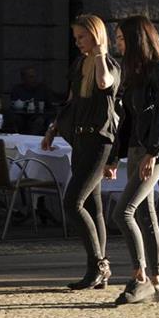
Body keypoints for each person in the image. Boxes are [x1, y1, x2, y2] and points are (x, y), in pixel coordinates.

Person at [44, 15, 120, 291]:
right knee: (92, 207)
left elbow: (104, 84)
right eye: (75, 38)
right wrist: (53, 129)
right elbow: (72, 101)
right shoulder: (79, 63)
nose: (77, 43)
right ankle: (101, 270)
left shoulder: (109, 64)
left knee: (72, 203)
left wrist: (99, 53)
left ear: (96, 35)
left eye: (82, 37)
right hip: (79, 139)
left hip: (99, 142)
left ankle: (98, 265)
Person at [108, 15, 159, 305]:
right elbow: (126, 120)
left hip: (156, 151)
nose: (117, 43)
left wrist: (152, 152)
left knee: (123, 212)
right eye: (117, 38)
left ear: (137, 39)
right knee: (145, 216)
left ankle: (140, 278)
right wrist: (114, 156)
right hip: (138, 149)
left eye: (122, 39)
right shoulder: (133, 73)